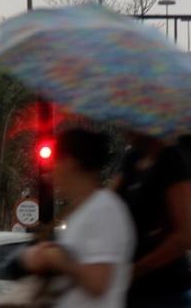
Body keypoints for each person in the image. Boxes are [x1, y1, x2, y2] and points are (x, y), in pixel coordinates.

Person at [20, 128, 136, 308]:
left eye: (56, 160)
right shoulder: (81, 211)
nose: (52, 169)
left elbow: (98, 283)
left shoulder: (105, 210)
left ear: (70, 162)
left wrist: (60, 261)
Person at [116, 133, 191, 307]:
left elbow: (186, 235)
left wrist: (135, 270)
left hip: (166, 291)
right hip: (131, 292)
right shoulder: (132, 159)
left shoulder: (172, 160)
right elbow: (111, 204)